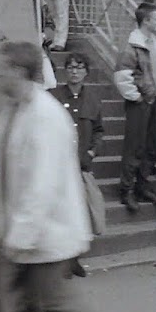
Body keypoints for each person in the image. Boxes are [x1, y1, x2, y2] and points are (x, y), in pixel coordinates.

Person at [0, 41, 139, 312]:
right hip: (25, 233)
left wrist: (18, 240)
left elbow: (41, 186)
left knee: (62, 307)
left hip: (44, 235)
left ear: (18, 72)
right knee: (3, 300)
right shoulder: (14, 110)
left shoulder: (44, 117)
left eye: (1, 70)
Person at [49, 53, 104, 277]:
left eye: (79, 68)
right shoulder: (52, 96)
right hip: (58, 166)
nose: (74, 71)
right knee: (58, 214)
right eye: (70, 67)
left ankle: (73, 260)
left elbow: (99, 131)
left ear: (86, 72)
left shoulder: (93, 99)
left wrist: (91, 152)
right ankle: (58, 261)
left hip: (81, 166)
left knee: (78, 212)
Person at [111, 3, 156, 213]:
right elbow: (122, 75)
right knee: (134, 147)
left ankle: (143, 186)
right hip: (141, 102)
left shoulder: (154, 43)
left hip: (155, 100)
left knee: (150, 145)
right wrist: (136, 97)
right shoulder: (132, 45)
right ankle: (126, 189)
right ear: (146, 21)